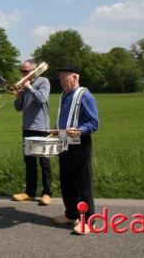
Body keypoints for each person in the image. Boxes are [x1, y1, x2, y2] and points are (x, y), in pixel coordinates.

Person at [51, 64, 99, 235]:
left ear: (75, 77)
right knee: (66, 181)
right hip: (65, 143)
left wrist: (79, 130)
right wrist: (57, 129)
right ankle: (72, 214)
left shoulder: (85, 95)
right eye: (61, 80)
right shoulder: (64, 95)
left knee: (82, 183)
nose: (62, 82)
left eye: (65, 79)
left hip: (80, 145)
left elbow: (94, 123)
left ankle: (88, 220)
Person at [13, 60, 52, 205]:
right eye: (22, 71)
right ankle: (30, 192)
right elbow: (18, 107)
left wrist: (29, 87)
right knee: (29, 162)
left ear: (35, 70)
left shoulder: (44, 81)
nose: (24, 74)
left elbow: (41, 99)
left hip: (41, 127)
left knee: (44, 162)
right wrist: (18, 95)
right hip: (27, 128)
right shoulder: (24, 85)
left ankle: (47, 193)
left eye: (27, 71)